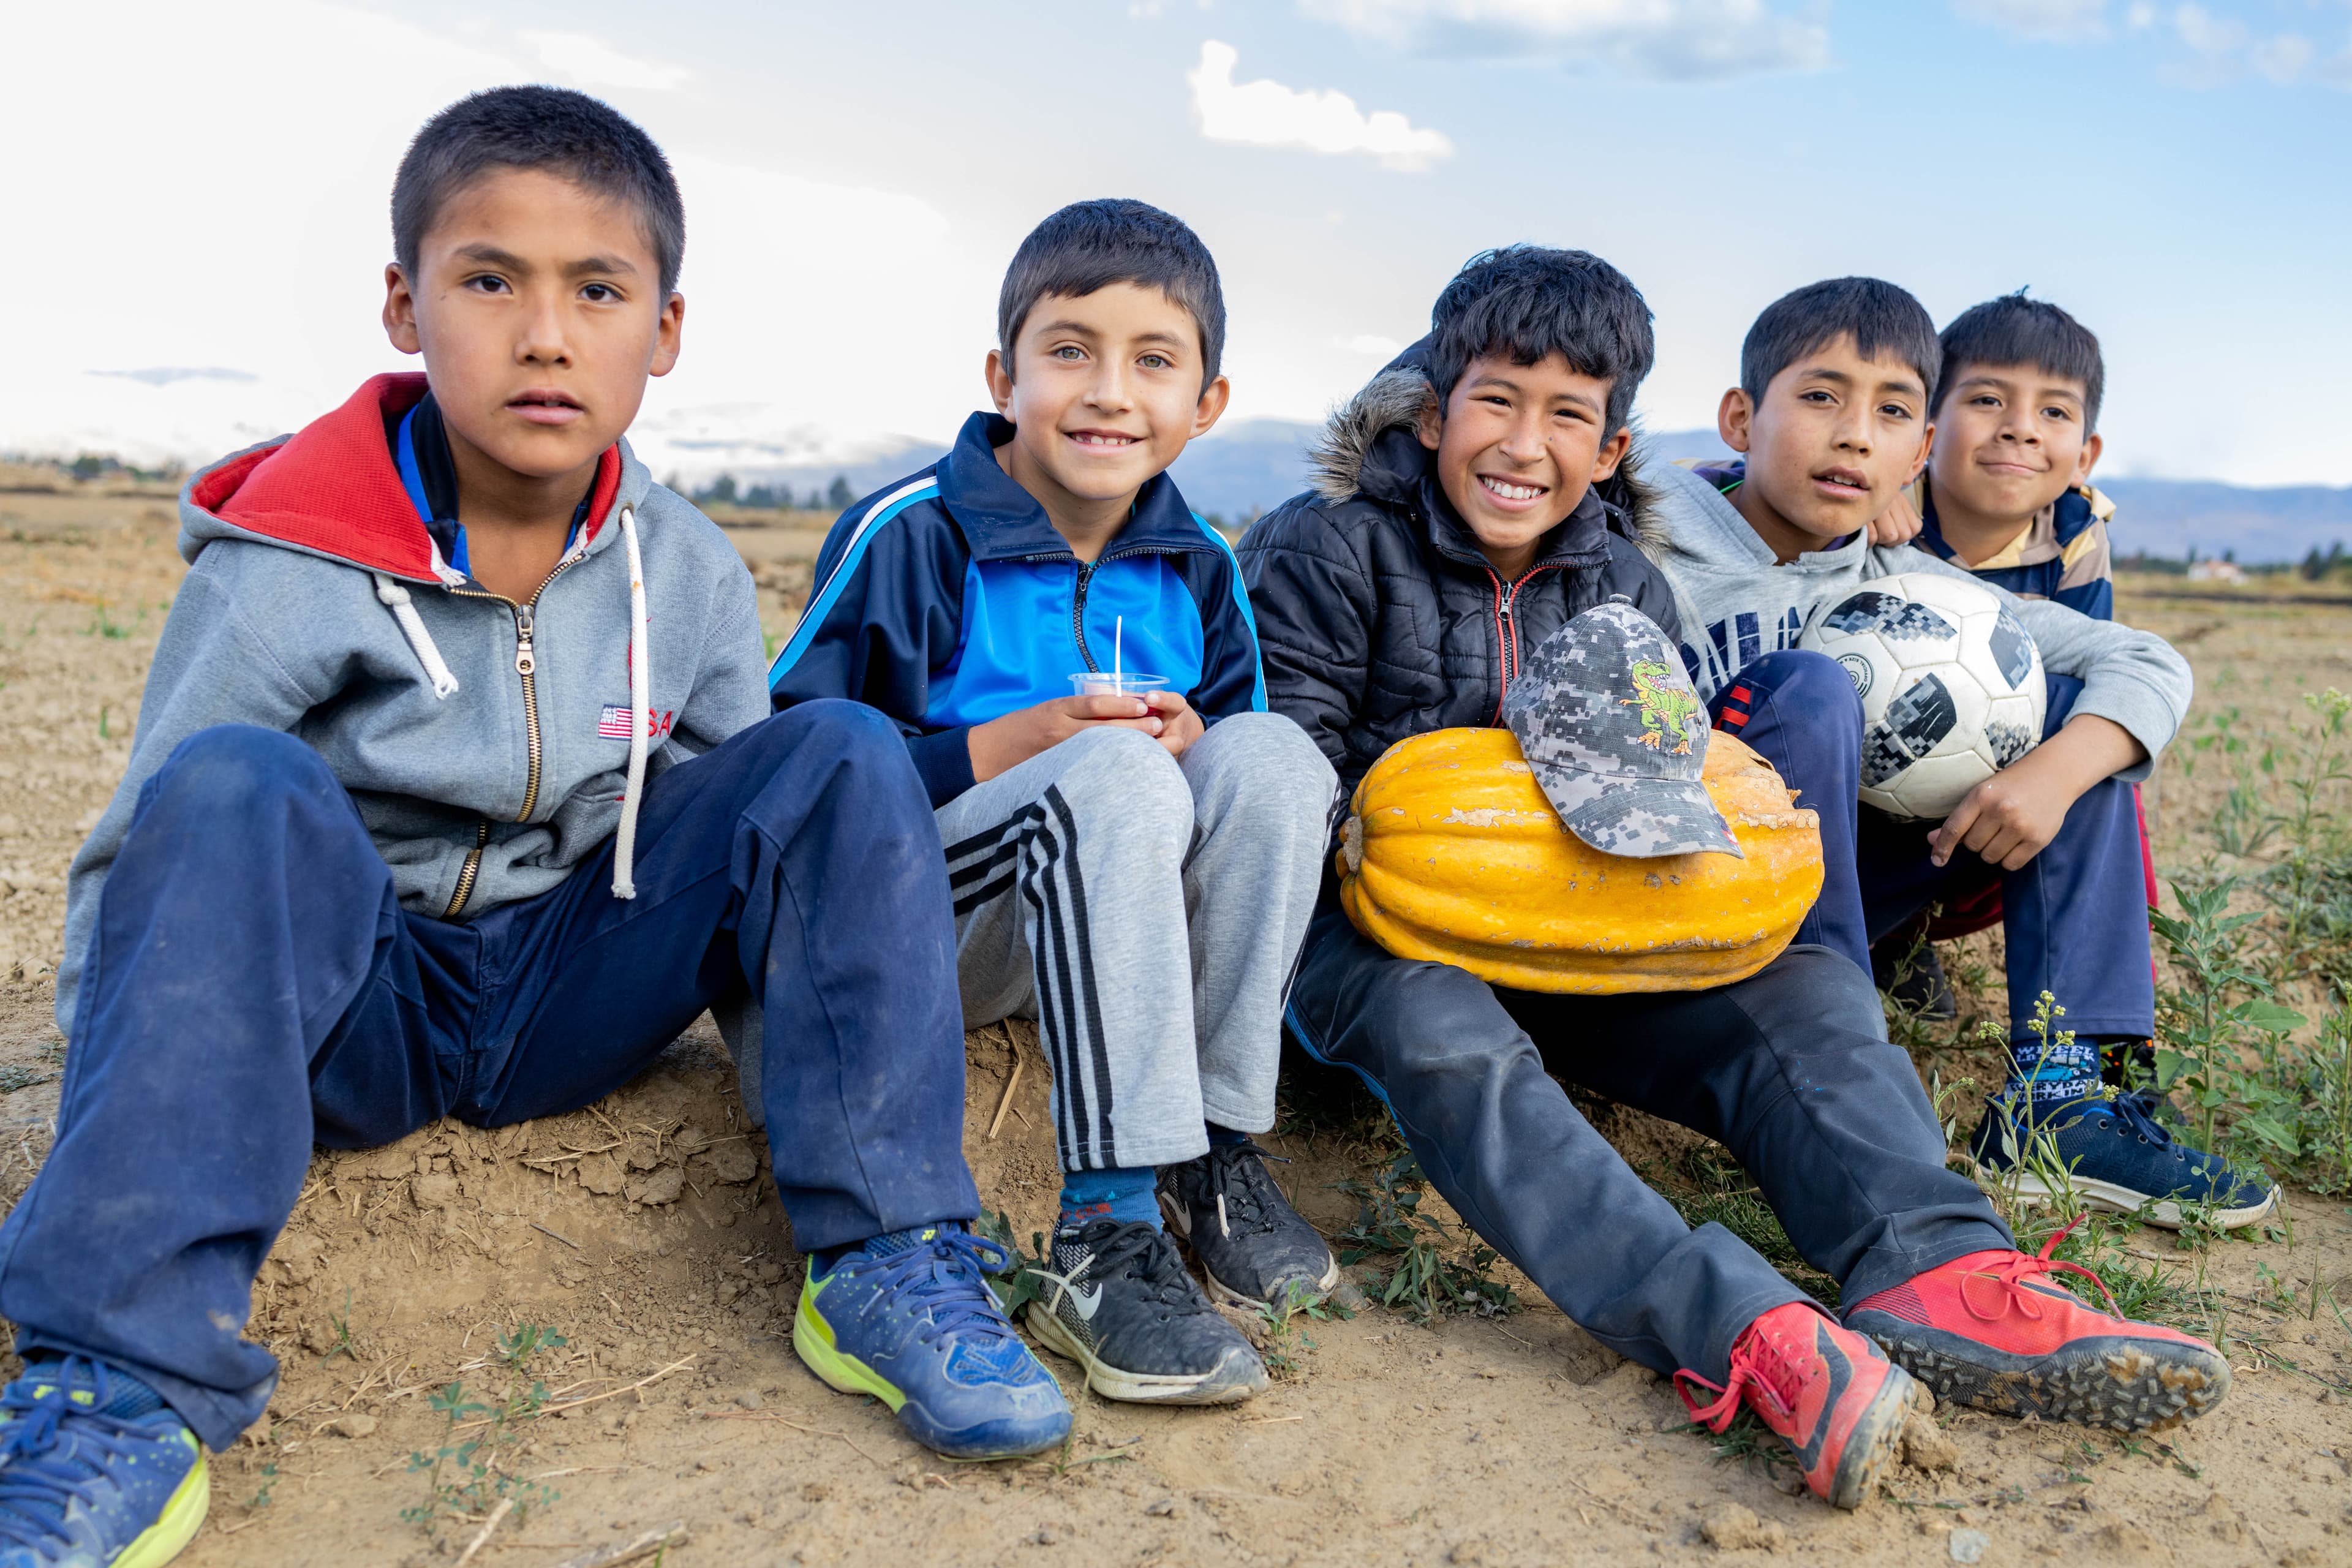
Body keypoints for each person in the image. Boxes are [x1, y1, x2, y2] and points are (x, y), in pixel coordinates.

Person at [0, 87, 1074, 1567]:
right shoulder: (284, 566)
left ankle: (887, 1251)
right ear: (404, 304)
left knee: (828, 752)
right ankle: (120, 1381)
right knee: (231, 784)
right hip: (356, 1011)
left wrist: (802, 1092)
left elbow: (754, 851)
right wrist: (99, 1151)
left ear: (667, 332)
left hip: (578, 979)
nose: (547, 334)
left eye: (599, 290)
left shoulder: (684, 566)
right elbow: (152, 868)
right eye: (490, 280)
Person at [1240, 246, 2231, 1511]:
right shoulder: (1329, 547)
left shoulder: (1626, 581)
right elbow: (1287, 767)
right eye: (1496, 401)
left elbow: (1649, 791)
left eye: (1569, 417)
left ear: (1609, 450)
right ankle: (1740, 1329)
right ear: (1436, 410)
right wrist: (1411, 853)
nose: (1524, 445)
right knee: (1443, 1027)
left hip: (1566, 933)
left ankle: (1942, 1274)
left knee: (1805, 986)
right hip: (1365, 934)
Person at [768, 200, 1339, 1406]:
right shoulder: (911, 535)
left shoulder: (1202, 565)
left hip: (1116, 926)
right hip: (929, 928)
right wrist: (1013, 745)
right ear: (1004, 375)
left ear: (1207, 405)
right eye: (1070, 349)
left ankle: (1213, 1147)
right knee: (1113, 770)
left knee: (1272, 753)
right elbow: (794, 780)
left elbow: (1223, 782)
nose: (1108, 392)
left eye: (1153, 361)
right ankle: (1104, 1232)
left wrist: (1194, 744)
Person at [1646, 276, 2272, 1229]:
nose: (1856, 433)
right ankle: (1834, 1062)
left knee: (2071, 721)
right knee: (1811, 688)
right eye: (1821, 397)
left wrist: (2057, 770)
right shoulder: (1642, 527)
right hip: (1668, 886)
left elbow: (2141, 658)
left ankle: (2064, 1093)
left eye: (1891, 411)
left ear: (1916, 448)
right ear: (1741, 417)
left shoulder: (1907, 580)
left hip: (1846, 887)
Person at [1872, 294, 2152, 1097]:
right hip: (1853, 828)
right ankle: (1886, 939)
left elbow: (2091, 685)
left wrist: (2062, 772)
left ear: (2085, 451)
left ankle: (2083, 1071)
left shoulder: (2077, 537)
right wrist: (1873, 488)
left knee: (2087, 734)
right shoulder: (1873, 501)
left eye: (2053, 410)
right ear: (1927, 424)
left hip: (1986, 830)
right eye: (1988, 399)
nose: (2020, 426)